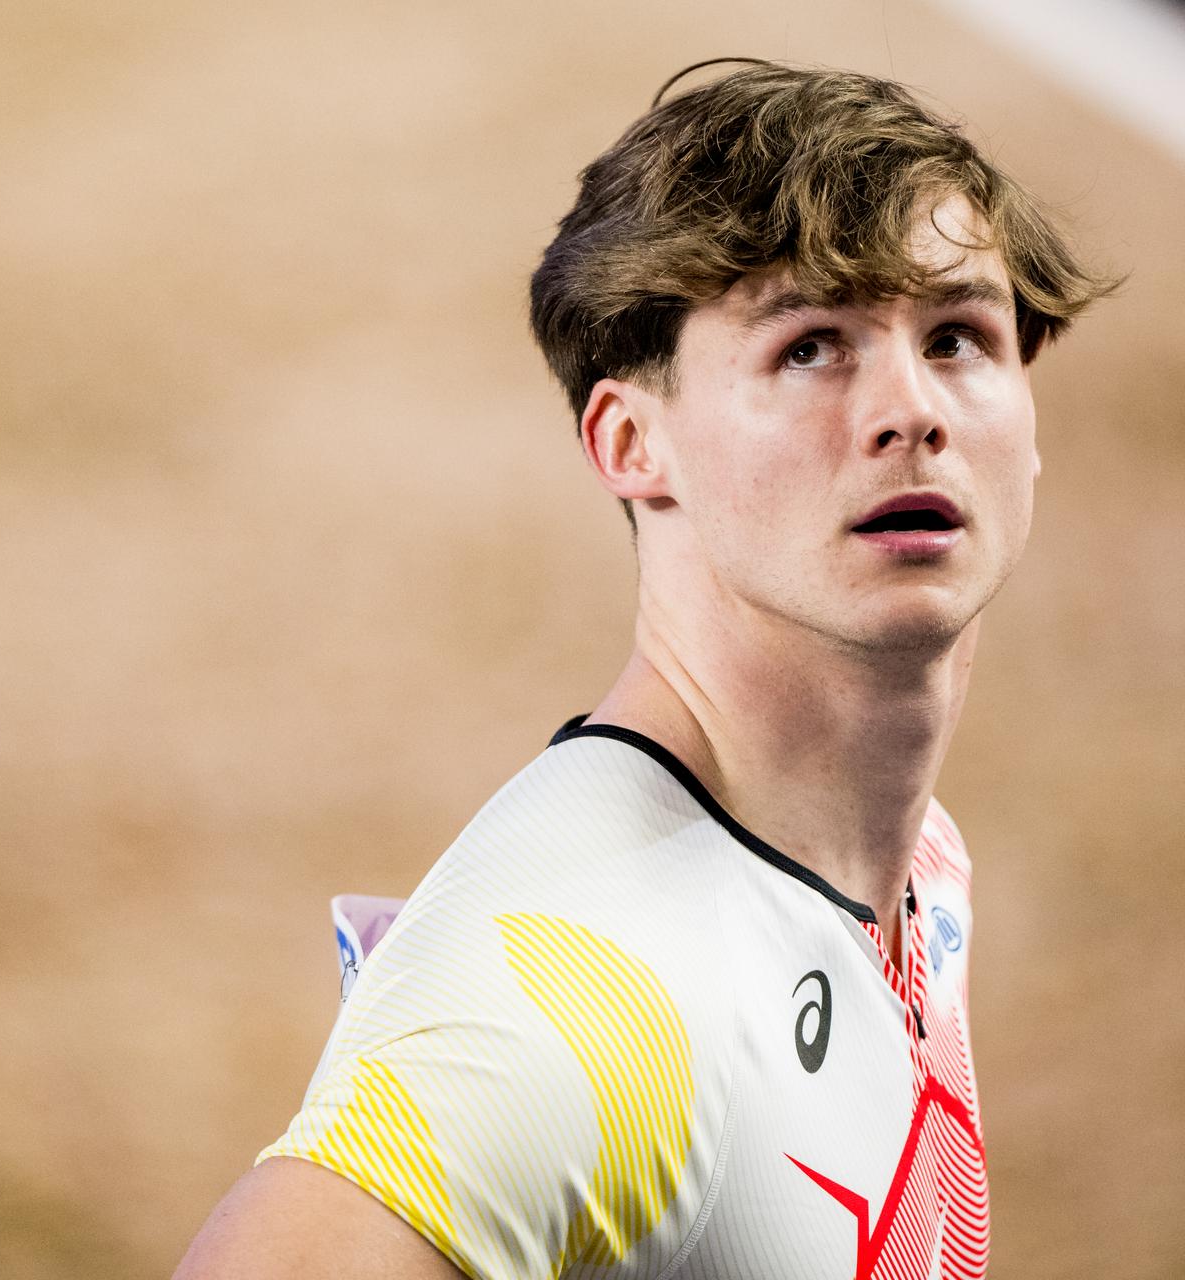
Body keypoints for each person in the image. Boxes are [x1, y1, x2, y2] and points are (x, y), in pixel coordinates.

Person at [174, 59, 1114, 1279]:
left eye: (957, 337)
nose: (911, 409)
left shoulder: (914, 861)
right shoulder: (588, 995)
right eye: (811, 347)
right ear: (631, 441)